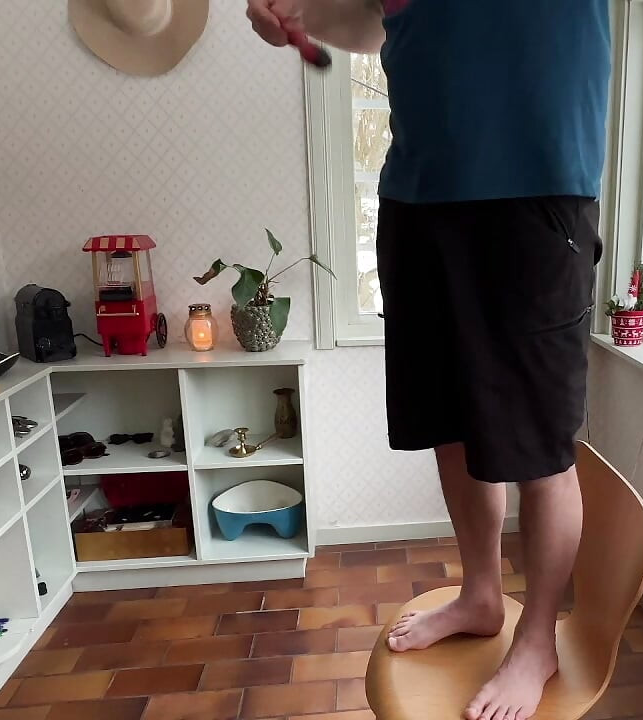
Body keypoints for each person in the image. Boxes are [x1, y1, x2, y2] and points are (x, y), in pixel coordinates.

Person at [247, 2, 610, 719]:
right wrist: (298, 13)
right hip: (417, 198)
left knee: (541, 450)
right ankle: (480, 595)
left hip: (536, 191)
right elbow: (373, 22)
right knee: (449, 422)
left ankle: (536, 641)